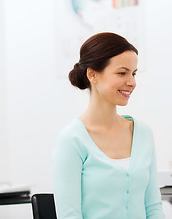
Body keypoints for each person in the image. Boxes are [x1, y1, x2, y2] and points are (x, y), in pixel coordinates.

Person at [53, 32, 165, 219]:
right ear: (92, 74)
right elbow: (69, 215)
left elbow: (153, 207)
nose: (132, 82)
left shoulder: (143, 133)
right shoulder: (72, 140)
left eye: (134, 73)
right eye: (122, 73)